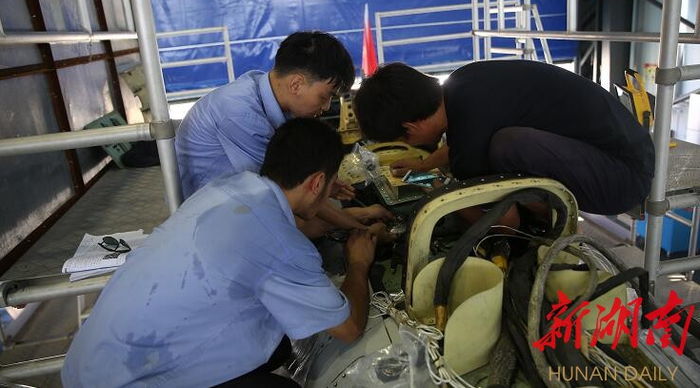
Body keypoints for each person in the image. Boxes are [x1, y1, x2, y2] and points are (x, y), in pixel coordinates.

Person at [62, 118, 377, 387]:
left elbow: (273, 236)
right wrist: (358, 263)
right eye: (330, 185)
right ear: (317, 182)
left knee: (278, 347)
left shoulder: (231, 187)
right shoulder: (279, 243)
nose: (329, 195)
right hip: (127, 380)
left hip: (89, 364)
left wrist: (349, 220)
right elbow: (348, 328)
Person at [353, 60, 655, 216]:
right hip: (633, 150)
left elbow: (504, 220)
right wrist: (423, 166)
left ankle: (554, 217)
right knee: (502, 147)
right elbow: (464, 143)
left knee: (506, 147)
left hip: (623, 181)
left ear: (411, 127)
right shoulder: (463, 81)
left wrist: (438, 194)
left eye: (406, 139)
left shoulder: (469, 135)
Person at [175, 30, 393, 238]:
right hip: (210, 217)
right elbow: (287, 191)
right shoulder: (240, 113)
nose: (327, 107)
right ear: (296, 84)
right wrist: (360, 226)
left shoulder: (267, 91)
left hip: (238, 195)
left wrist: (326, 188)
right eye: (324, 96)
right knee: (305, 225)